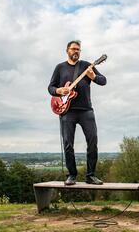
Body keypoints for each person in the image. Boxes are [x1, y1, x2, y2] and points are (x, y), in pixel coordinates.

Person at [48, 40, 107, 185]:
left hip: (86, 110)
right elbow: (50, 87)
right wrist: (59, 90)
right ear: (67, 50)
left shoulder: (87, 66)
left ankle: (91, 175)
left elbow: (103, 81)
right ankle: (72, 175)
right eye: (73, 49)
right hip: (67, 111)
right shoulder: (60, 68)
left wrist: (93, 77)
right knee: (68, 143)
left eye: (78, 49)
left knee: (92, 141)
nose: (76, 51)